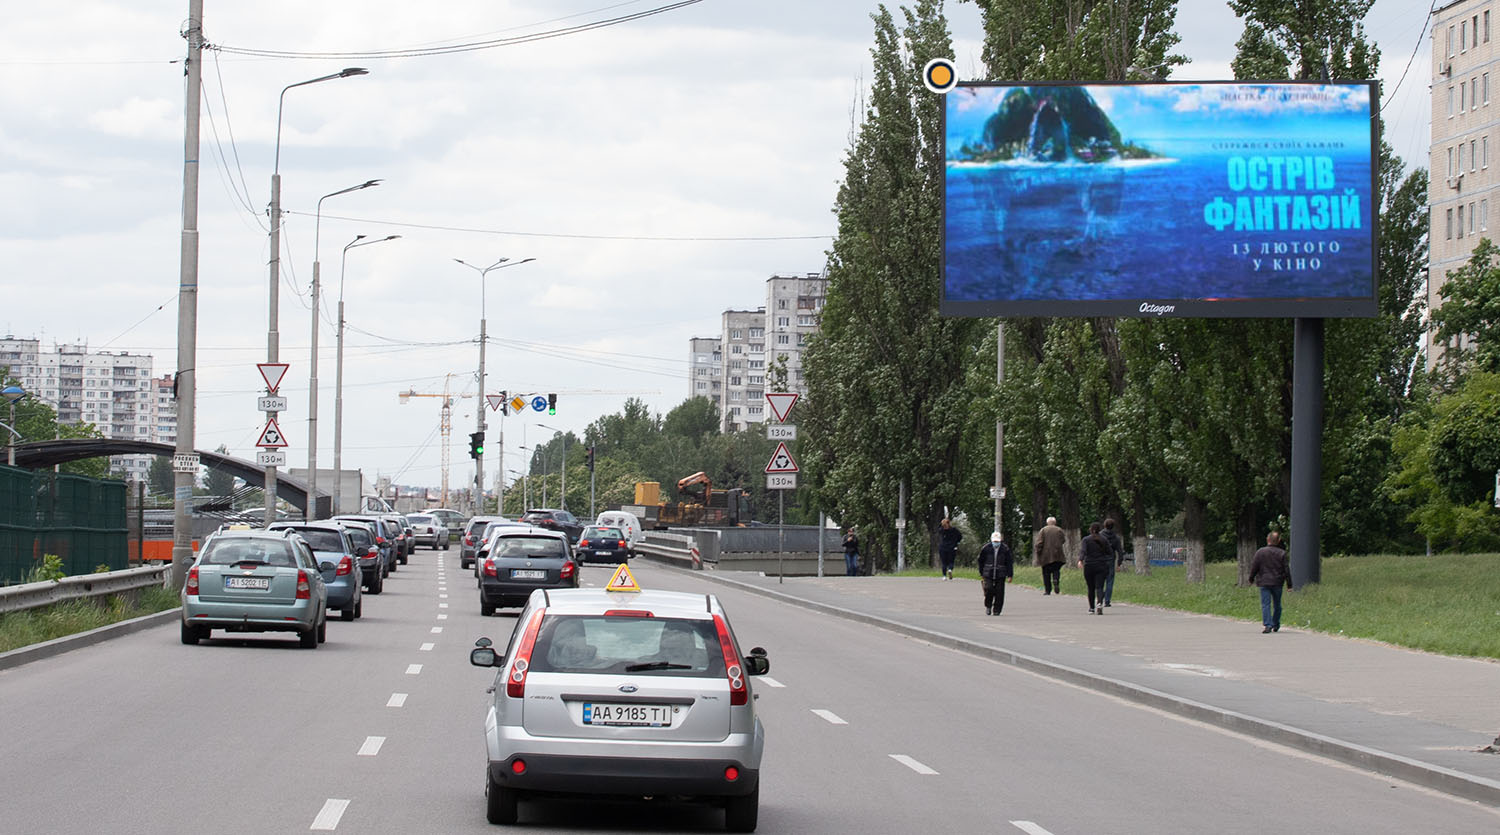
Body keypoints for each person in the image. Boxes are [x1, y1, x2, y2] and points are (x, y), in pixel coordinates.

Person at [1248, 531, 1292, 633]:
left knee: (1265, 604)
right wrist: (1289, 585)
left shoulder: (1260, 552)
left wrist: (1251, 579)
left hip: (1264, 582)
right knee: (1277, 604)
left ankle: (1268, 625)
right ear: (1278, 541)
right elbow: (1286, 570)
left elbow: (1254, 567)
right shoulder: (1282, 553)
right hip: (1277, 582)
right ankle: (1276, 624)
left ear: (1268, 540)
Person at [1078, 522, 1112, 615]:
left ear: (1091, 529)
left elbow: (1083, 551)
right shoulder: (1104, 539)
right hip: (1102, 565)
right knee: (1100, 587)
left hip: (1089, 565)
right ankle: (1100, 603)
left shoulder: (1086, 539)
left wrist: (1080, 560)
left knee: (1091, 587)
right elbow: (1110, 552)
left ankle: (1091, 608)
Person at [976, 531, 1013, 615]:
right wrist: (981, 572)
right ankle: (988, 606)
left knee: (999, 592)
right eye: (994, 541)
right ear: (991, 540)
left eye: (997, 541)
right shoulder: (986, 548)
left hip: (1001, 573)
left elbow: (1009, 562)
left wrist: (1010, 575)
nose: (996, 543)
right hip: (988, 572)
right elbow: (980, 561)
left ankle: (997, 609)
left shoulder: (1005, 549)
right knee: (988, 589)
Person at [1034, 516, 1067, 595]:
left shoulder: (1043, 530)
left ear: (1047, 522)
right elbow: (1063, 540)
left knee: (1046, 573)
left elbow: (1039, 542)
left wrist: (1038, 551)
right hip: (1057, 554)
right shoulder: (1059, 530)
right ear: (1055, 523)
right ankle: (1056, 580)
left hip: (1046, 556)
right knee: (1056, 570)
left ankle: (1047, 590)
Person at [1100, 518, 1126, 607]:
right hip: (1111, 560)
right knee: (1110, 581)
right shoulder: (1116, 537)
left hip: (1101, 560)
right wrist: (1119, 563)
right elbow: (1120, 551)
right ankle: (1107, 601)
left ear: (1104, 525)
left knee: (1100, 580)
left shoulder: (1100, 536)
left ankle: (1100, 596)